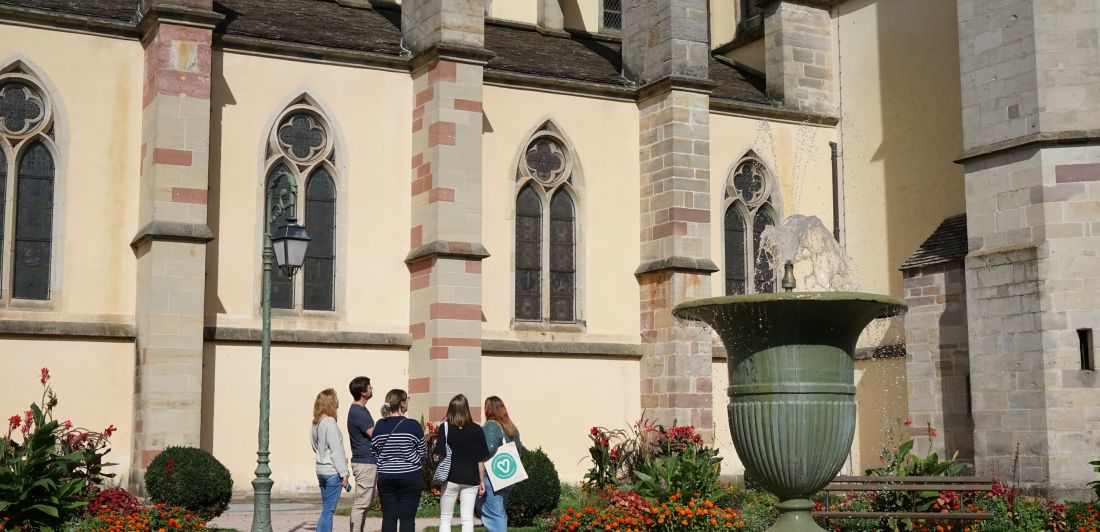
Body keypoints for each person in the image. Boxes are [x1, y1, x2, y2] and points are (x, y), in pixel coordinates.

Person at [371, 389, 427, 532]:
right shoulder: (413, 425)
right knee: (407, 520)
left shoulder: (379, 426)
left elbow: (374, 452)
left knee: (389, 519)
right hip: (410, 476)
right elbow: (423, 452)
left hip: (386, 477)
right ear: (402, 404)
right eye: (407, 400)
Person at [433, 394, 490, 532]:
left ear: (450, 409)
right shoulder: (477, 429)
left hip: (450, 477)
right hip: (471, 478)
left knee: (446, 518)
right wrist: (481, 481)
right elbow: (480, 459)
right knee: (467, 518)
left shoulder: (445, 428)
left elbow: (439, 454)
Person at [476, 395, 522, 532]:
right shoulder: (510, 427)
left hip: (491, 478)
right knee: (499, 513)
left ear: (488, 410)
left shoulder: (491, 425)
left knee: (495, 516)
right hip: (507, 476)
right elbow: (518, 450)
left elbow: (487, 450)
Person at [310, 388, 350, 532]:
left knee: (326, 509)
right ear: (331, 401)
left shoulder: (316, 423)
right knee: (329, 511)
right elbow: (336, 451)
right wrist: (344, 473)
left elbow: (314, 446)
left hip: (321, 470)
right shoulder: (330, 422)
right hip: (332, 471)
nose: (338, 400)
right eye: (336, 397)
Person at [347, 376, 377, 532]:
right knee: (361, 504)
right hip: (364, 462)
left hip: (367, 461)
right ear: (363, 392)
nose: (372, 388)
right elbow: (373, 433)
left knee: (365, 503)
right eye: (369, 387)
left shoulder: (362, 410)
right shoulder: (358, 412)